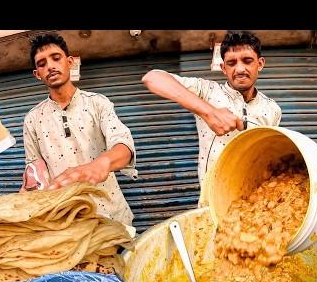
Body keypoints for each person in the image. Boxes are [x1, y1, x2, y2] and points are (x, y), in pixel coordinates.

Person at [22, 32, 137, 226]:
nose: (50, 66)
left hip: (112, 217)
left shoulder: (98, 103)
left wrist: (100, 164)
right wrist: (26, 194)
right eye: (41, 64)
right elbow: (34, 171)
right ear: (37, 74)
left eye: (56, 58)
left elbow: (124, 147)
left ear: (70, 62)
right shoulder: (32, 119)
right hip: (68, 223)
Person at [142, 30, 282, 184]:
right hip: (213, 197)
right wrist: (209, 112)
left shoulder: (272, 109)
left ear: (260, 63)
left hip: (255, 195)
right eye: (231, 63)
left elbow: (272, 154)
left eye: (247, 61)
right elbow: (152, 78)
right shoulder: (207, 91)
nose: (240, 69)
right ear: (223, 68)